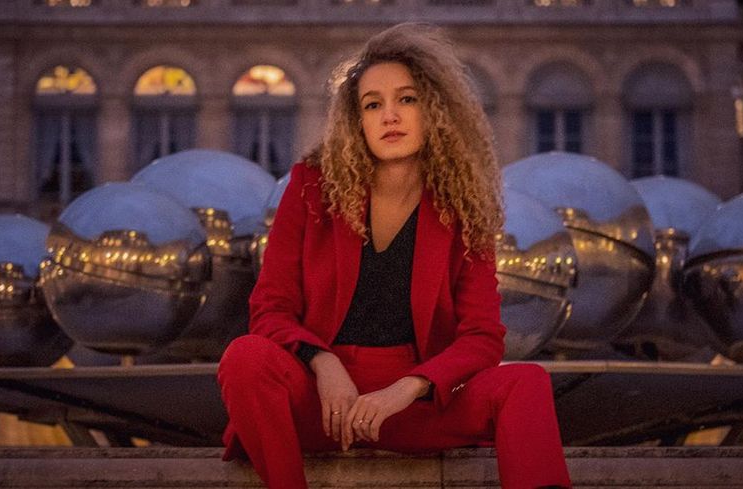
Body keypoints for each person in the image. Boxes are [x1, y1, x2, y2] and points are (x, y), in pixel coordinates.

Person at [217, 23, 571, 489]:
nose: (389, 116)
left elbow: (483, 338)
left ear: (436, 110)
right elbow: (270, 308)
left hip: (414, 405)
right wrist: (324, 365)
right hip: (322, 403)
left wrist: (408, 388)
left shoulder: (463, 204)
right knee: (245, 357)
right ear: (356, 120)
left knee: (526, 382)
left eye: (407, 99)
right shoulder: (310, 188)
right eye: (372, 104)